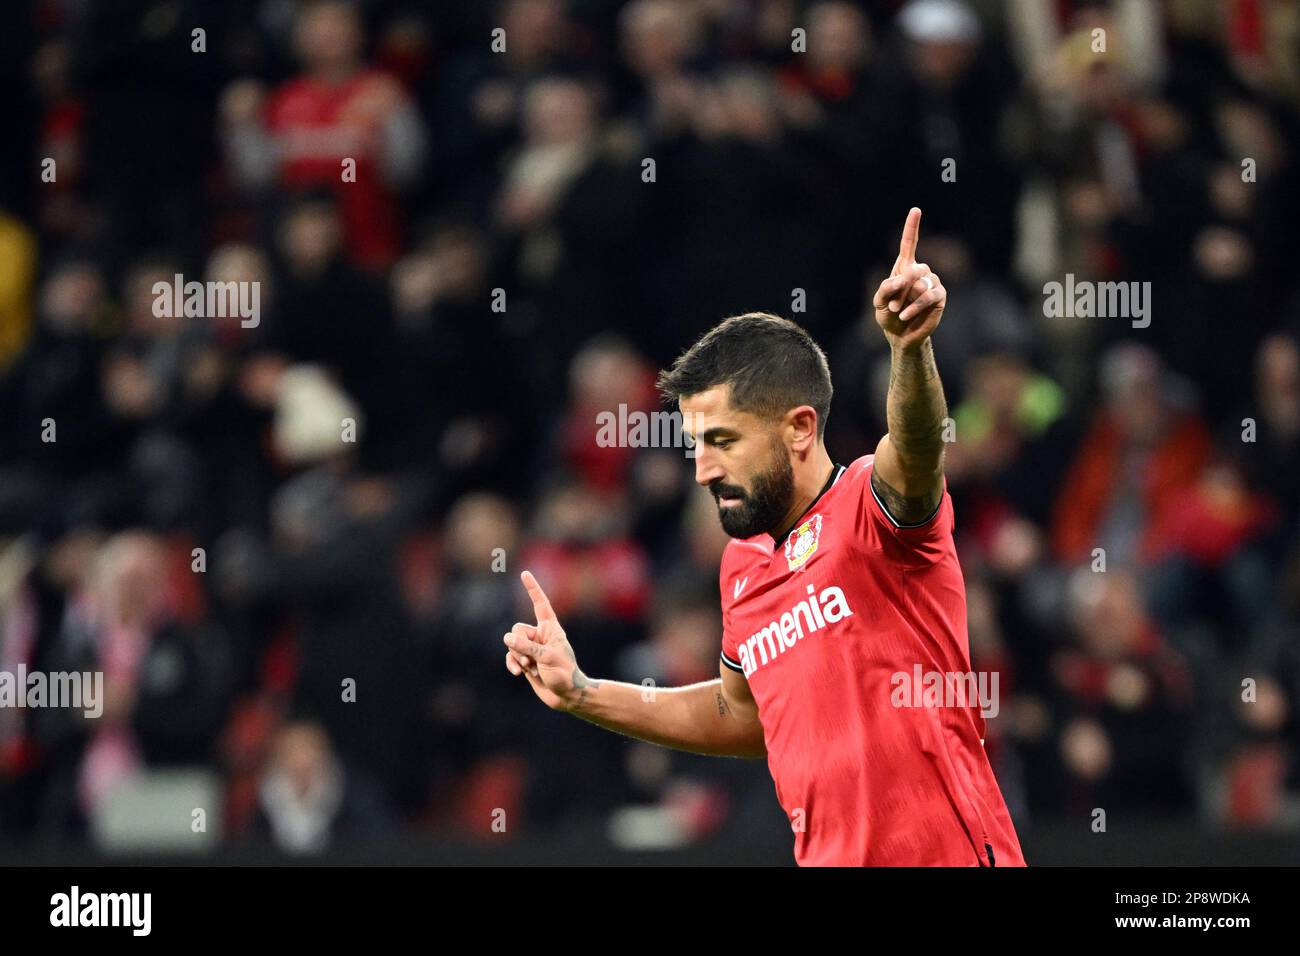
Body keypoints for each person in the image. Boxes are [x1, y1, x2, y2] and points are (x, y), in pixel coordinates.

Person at [503, 209, 1026, 866]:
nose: (702, 469)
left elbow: (918, 444)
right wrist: (583, 692)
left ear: (799, 429)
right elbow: (740, 712)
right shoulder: (741, 568)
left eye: (722, 442)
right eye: (696, 446)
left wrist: (910, 349)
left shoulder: (873, 506)